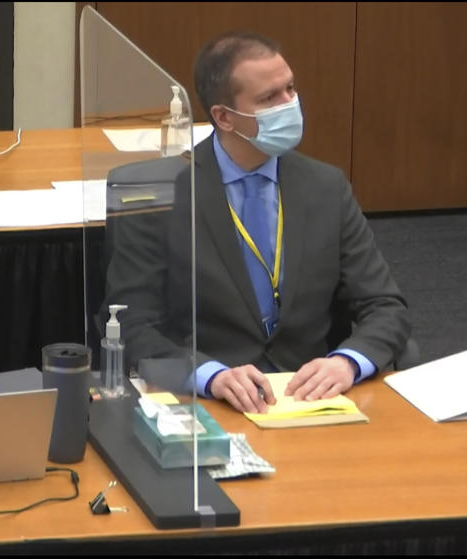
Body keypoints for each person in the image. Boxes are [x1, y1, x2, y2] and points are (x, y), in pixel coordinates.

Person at [102, 31, 411, 414]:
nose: (290, 104)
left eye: (290, 88)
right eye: (269, 98)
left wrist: (348, 361)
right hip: (208, 403)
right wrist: (209, 375)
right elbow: (130, 327)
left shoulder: (326, 187)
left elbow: (385, 305)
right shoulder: (160, 197)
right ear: (224, 117)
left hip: (313, 402)